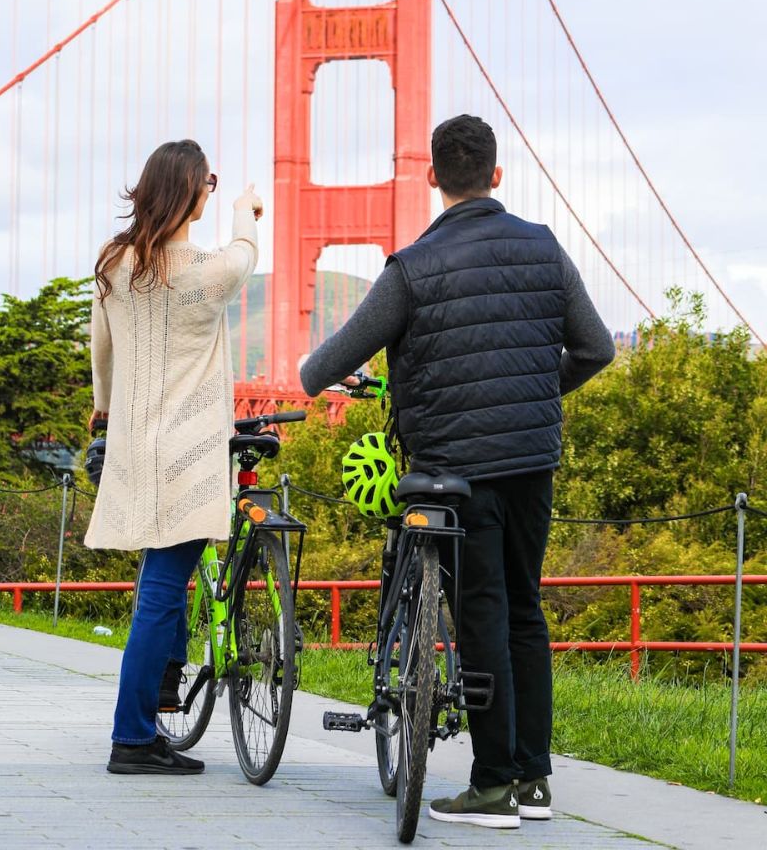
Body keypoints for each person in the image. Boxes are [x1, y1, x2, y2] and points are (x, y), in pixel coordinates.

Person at [300, 114, 615, 828]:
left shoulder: (411, 267)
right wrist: (533, 392)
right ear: (497, 176)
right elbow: (596, 349)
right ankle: (534, 781)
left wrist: (324, 371)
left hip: (454, 470)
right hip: (533, 461)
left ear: (433, 177)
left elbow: (322, 369)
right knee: (523, 609)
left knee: (481, 615)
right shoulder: (545, 250)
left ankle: (491, 785)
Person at [86, 138, 262, 775]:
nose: (211, 192)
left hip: (137, 450)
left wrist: (104, 412)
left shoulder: (113, 264)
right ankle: (131, 738)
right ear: (192, 193)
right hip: (188, 456)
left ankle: (149, 719)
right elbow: (244, 256)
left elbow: (101, 351)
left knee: (159, 586)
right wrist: (245, 209)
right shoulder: (204, 271)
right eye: (207, 183)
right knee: (163, 589)